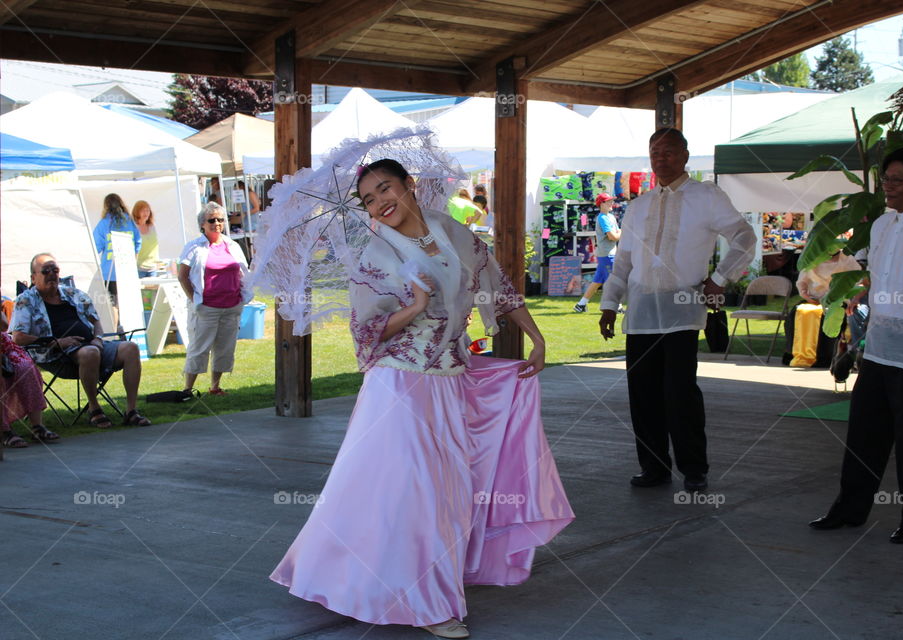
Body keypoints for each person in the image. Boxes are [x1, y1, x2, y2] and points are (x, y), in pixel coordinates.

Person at [270, 159, 574, 639]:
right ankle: (428, 604)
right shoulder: (373, 255)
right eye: (368, 199)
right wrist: (412, 306)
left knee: (444, 490)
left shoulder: (452, 232)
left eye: (385, 188)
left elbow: (498, 284)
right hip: (398, 384)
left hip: (450, 380)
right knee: (420, 493)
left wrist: (535, 338)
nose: (379, 202)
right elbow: (364, 334)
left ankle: (366, 577)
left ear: (409, 186)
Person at [809, 146, 903, 544]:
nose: (888, 187)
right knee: (864, 434)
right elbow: (883, 277)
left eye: (897, 180)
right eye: (886, 179)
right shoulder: (881, 226)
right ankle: (850, 509)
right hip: (878, 348)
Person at [598, 128, 755, 492]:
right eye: (654, 151)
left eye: (668, 151)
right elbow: (622, 262)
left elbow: (745, 237)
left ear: (685, 155)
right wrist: (609, 304)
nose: (660, 158)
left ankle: (694, 469)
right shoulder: (638, 206)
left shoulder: (706, 196)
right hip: (639, 314)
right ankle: (653, 467)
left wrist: (719, 279)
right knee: (643, 395)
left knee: (680, 394)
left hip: (682, 311)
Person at [11, 253, 150, 428]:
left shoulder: (73, 293)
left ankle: (131, 411)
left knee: (130, 348)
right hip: (55, 354)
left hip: (92, 345)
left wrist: (98, 339)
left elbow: (95, 320)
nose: (52, 274)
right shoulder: (26, 301)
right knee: (90, 353)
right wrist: (56, 342)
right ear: (33, 277)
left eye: (55, 270)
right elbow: (18, 338)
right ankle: (94, 409)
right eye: (46, 271)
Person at [177, 202, 251, 397]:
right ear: (202, 224)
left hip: (232, 305)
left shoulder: (232, 245)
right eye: (212, 220)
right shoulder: (194, 246)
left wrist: (243, 296)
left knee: (225, 348)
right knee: (199, 348)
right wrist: (194, 298)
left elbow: (243, 272)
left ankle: (215, 386)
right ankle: (187, 389)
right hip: (206, 307)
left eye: (220, 219)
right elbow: (182, 275)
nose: (217, 223)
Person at [787, 250, 862, 367]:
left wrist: (854, 299)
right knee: (797, 312)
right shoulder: (813, 259)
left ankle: (824, 356)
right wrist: (804, 293)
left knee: (826, 315)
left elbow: (860, 281)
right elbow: (802, 281)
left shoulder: (847, 260)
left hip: (837, 300)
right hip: (814, 299)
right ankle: (794, 354)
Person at [1, 311, 57, 447]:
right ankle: (4, 431)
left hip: (4, 347)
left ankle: (37, 426)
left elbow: (3, 326)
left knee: (26, 367)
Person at [93, 194, 141, 320]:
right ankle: (127, 332)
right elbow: (138, 242)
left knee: (112, 305)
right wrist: (133, 260)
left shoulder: (103, 224)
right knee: (127, 304)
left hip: (109, 272)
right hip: (128, 270)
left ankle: (114, 334)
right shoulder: (129, 222)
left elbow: (95, 247)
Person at [574, 192, 620, 313]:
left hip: (607, 254)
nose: (612, 203)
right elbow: (613, 237)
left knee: (597, 282)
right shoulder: (603, 218)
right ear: (602, 204)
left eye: (612, 200)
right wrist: (622, 232)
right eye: (609, 201)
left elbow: (617, 233)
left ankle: (581, 305)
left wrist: (620, 232)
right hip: (607, 255)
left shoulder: (610, 216)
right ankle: (617, 306)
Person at [132, 200, 161, 278]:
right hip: (138, 268)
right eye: (143, 210)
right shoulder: (133, 227)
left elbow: (155, 246)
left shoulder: (152, 226)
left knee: (154, 289)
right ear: (137, 212)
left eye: (148, 210)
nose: (146, 213)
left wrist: (158, 262)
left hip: (153, 268)